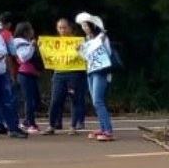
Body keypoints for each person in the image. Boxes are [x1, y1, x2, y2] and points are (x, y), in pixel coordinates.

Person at [43, 18, 88, 135]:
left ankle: (73, 126)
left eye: (64, 27)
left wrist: (81, 49)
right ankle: (51, 125)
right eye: (60, 28)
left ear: (70, 28)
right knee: (55, 100)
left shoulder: (78, 41)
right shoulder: (55, 43)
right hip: (59, 74)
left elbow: (86, 56)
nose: (62, 30)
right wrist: (43, 47)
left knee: (75, 99)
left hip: (74, 73)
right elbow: (50, 56)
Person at [76, 12, 116, 141]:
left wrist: (89, 46)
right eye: (82, 25)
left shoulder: (102, 37)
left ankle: (108, 131)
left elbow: (107, 53)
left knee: (98, 101)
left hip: (101, 70)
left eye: (86, 25)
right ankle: (103, 128)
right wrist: (80, 50)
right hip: (91, 71)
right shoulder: (88, 40)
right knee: (95, 101)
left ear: (92, 25)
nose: (84, 28)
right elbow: (88, 56)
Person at [12, 22, 42, 133]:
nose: (33, 31)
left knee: (37, 100)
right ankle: (31, 123)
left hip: (32, 74)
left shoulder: (27, 42)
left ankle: (26, 120)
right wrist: (32, 46)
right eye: (31, 29)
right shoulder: (19, 42)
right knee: (30, 100)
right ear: (25, 31)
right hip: (24, 74)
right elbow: (24, 57)